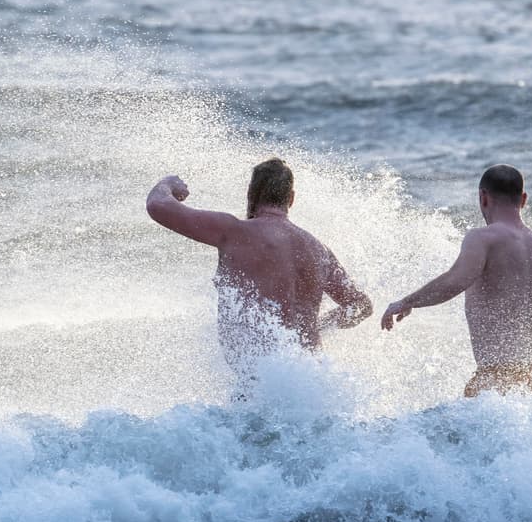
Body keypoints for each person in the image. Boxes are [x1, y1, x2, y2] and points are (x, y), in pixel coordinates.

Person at [145, 158, 373, 377]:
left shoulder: (235, 232)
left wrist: (168, 183)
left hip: (260, 384)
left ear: (250, 194)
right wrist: (317, 326)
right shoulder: (319, 250)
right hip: (312, 378)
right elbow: (361, 306)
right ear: (291, 199)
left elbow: (157, 205)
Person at [379, 164, 532, 399]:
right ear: (524, 199)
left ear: (483, 197)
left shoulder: (484, 239)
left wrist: (407, 301)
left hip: (497, 380)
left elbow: (456, 280)